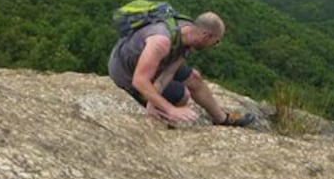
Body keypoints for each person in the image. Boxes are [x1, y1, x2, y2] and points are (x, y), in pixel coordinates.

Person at [108, 11, 255, 126]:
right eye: (215, 42)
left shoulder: (188, 34)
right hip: (126, 72)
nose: (215, 46)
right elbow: (139, 81)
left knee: (194, 77)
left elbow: (168, 72)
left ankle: (222, 119)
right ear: (205, 36)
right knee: (181, 95)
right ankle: (165, 128)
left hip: (156, 62)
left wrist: (153, 101)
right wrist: (170, 109)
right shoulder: (161, 42)